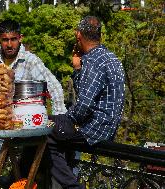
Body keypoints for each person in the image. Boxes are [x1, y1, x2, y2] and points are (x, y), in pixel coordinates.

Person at [0, 19, 67, 189]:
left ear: (20, 38)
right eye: (5, 40)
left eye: (13, 39)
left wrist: (59, 119)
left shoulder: (30, 60)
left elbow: (54, 86)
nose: (9, 44)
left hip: (18, 128)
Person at [47, 16, 125, 189]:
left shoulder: (93, 61)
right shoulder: (111, 58)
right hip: (108, 127)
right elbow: (88, 93)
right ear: (99, 36)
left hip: (94, 131)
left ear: (78, 35)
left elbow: (84, 105)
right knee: (54, 123)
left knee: (43, 130)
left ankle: (72, 186)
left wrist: (66, 120)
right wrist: (77, 69)